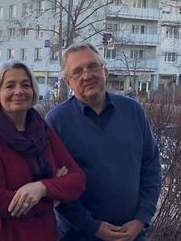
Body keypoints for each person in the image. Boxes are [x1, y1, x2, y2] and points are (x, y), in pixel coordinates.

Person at [45, 43, 162, 241]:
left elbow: (151, 166)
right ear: (68, 82)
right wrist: (92, 226)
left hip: (132, 233)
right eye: (77, 71)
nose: (87, 75)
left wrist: (141, 218)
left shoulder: (133, 111)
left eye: (92, 67)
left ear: (105, 71)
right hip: (78, 234)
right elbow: (55, 185)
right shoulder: (56, 122)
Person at [0, 60, 85, 241]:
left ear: (33, 90)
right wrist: (53, 200)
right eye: (10, 86)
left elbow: (77, 180)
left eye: (25, 85)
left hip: (41, 233)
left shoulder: (42, 131)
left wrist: (42, 188)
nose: (19, 91)